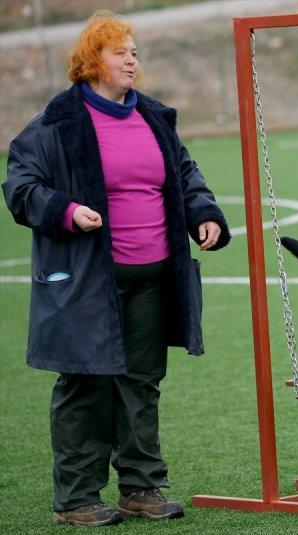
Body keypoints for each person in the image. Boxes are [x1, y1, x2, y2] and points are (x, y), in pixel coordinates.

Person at [3, 11, 230, 527]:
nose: (132, 59)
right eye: (120, 51)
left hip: (153, 276)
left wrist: (203, 213)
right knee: (86, 386)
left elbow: (184, 174)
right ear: (91, 62)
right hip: (85, 281)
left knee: (141, 383)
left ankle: (140, 488)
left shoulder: (153, 117)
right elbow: (20, 187)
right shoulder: (55, 123)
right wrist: (64, 209)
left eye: (134, 51)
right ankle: (77, 499)